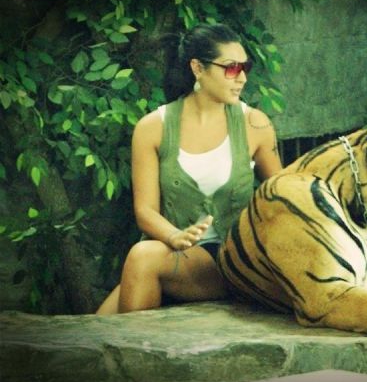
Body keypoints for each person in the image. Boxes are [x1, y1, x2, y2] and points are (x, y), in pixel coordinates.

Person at [96, 24, 282, 314]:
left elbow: (282, 195)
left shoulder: (255, 124)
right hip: (170, 253)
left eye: (245, 67)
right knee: (97, 325)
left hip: (233, 262)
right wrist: (174, 236)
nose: (242, 78)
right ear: (197, 68)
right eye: (231, 68)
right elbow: (145, 211)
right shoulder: (152, 128)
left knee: (142, 258)